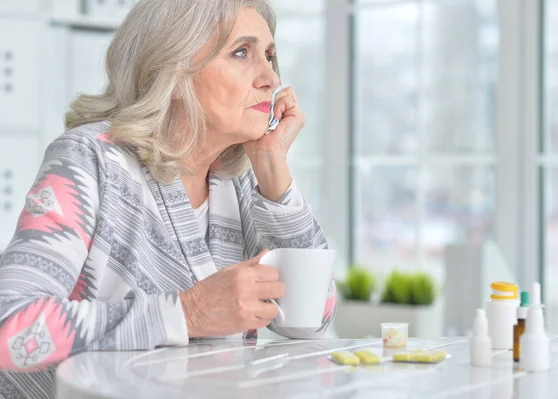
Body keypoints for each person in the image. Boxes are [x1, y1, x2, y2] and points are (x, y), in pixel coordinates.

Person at [0, 0, 336, 396]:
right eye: (241, 52)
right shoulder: (90, 159)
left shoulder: (242, 181)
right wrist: (187, 313)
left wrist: (275, 176)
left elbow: (312, 319)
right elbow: (12, 328)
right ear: (173, 73)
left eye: (270, 55)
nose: (269, 77)